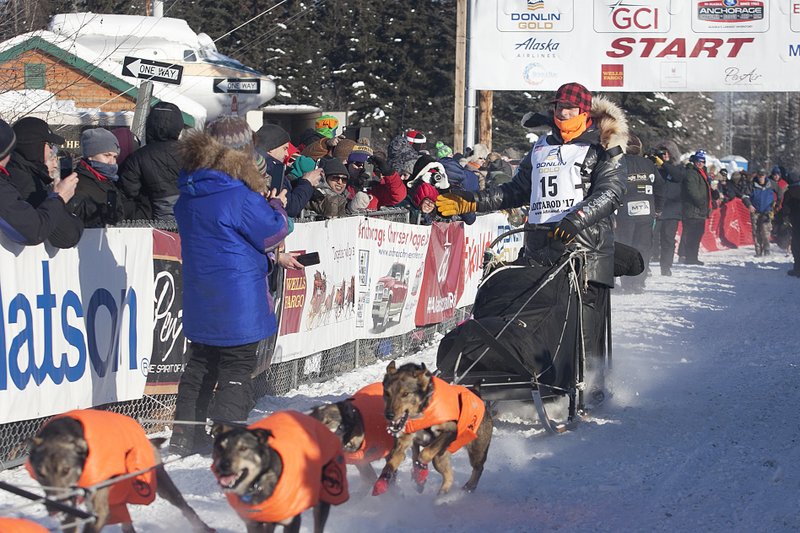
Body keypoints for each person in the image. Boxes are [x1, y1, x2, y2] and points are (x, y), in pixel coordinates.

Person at [436, 82, 628, 400]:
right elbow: (515, 190)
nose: (562, 113)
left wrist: (575, 220)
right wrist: (471, 201)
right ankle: (539, 378)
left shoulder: (603, 145)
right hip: (540, 247)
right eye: (558, 107)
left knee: (582, 323)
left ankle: (590, 388)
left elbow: (611, 192)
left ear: (584, 112)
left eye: (569, 108)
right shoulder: (541, 147)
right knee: (537, 316)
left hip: (585, 250)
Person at [171, 116, 289, 456]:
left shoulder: (191, 188)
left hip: (200, 290)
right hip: (238, 295)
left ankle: (186, 434)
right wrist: (276, 205)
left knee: (201, 363)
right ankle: (228, 436)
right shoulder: (238, 194)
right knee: (237, 364)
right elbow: (271, 231)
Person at [0, 119, 80, 246]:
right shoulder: (25, 182)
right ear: (35, 147)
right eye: (50, 145)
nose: (52, 152)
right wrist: (59, 198)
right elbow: (65, 236)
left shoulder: (22, 176)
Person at [118, 101, 184, 220]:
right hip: (190, 219)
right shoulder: (193, 154)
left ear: (149, 126)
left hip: (154, 221)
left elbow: (128, 191)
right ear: (178, 126)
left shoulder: (138, 157)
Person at [617, 134, 662, 293]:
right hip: (646, 212)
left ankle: (627, 283)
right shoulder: (649, 164)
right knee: (643, 246)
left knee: (625, 245)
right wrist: (658, 208)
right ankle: (639, 281)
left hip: (624, 213)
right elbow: (660, 187)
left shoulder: (618, 163)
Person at [255, 123, 321, 218]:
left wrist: (299, 182)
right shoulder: (269, 170)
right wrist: (307, 182)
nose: (287, 154)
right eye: (284, 148)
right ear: (270, 148)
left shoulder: (270, 167)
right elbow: (291, 207)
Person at [67, 128, 128, 228]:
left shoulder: (109, 182)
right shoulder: (77, 184)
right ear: (90, 155)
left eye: (114, 157)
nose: (111, 162)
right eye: (107, 155)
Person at [651, 144, 685, 276]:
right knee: (651, 239)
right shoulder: (655, 168)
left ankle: (666, 266)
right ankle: (646, 264)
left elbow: (678, 177)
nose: (664, 156)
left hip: (672, 211)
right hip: (657, 209)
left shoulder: (678, 168)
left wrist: (664, 164)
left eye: (667, 153)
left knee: (668, 240)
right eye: (662, 153)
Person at [681, 150, 712, 266]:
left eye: (702, 161)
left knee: (697, 234)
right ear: (694, 161)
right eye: (698, 161)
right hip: (693, 210)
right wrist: (702, 203)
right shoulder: (691, 173)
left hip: (700, 211)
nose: (700, 163)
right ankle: (689, 257)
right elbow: (692, 191)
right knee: (692, 235)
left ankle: (693, 256)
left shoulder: (701, 173)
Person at [742, 169, 777, 256]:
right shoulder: (752, 185)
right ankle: (758, 251)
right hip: (755, 211)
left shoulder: (771, 184)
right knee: (756, 231)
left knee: (765, 231)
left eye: (762, 175)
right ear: (757, 176)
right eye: (759, 175)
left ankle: (767, 249)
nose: (761, 177)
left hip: (767, 211)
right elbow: (744, 196)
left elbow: (780, 192)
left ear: (765, 175)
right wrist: (749, 205)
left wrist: (776, 204)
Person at [782, 172, 800, 276]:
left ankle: (797, 269)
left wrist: (785, 220)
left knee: (796, 247)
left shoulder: (789, 193)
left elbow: (786, 209)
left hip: (796, 223)